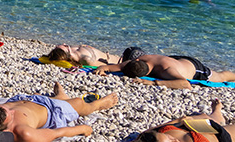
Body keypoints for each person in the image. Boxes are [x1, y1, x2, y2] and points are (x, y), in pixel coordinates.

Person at [0, 82, 118, 142]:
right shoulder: (24, 132)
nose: (12, 110)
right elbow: (56, 133)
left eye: (6, 109)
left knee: (48, 97)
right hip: (53, 111)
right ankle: (98, 104)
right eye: (10, 114)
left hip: (29, 99)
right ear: (6, 127)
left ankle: (61, 96)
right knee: (79, 103)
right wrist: (82, 129)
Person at [95, 53, 235, 88]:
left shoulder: (165, 71)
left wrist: (153, 83)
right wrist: (103, 69)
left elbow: (185, 83)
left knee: (221, 76)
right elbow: (113, 67)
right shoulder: (140, 60)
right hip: (174, 59)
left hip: (194, 68)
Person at [45, 43, 118, 67]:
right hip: (119, 60)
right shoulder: (86, 59)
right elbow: (107, 66)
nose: (64, 44)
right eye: (65, 46)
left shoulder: (73, 49)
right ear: (68, 52)